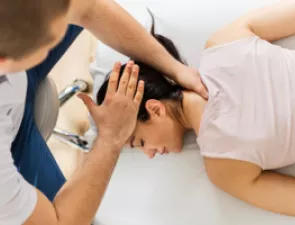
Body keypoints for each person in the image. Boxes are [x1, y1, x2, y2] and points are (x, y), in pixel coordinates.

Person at [97, 0, 295, 223]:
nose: (149, 153)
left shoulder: (226, 169)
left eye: (139, 141)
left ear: (154, 109)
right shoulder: (224, 44)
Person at [0, 0, 208, 224]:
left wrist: (175, 69)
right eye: (48, 43)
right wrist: (110, 138)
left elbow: (88, 9)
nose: (148, 152)